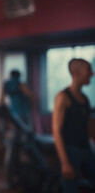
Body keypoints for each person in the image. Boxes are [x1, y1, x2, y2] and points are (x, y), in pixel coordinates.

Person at [52, 58, 95, 193]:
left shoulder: (85, 99)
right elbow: (56, 130)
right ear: (76, 72)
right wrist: (65, 163)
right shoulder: (63, 97)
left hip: (86, 149)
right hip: (70, 152)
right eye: (88, 70)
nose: (92, 74)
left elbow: (88, 128)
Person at [0, 69, 35, 187]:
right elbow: (31, 95)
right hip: (23, 115)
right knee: (25, 143)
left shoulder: (6, 84)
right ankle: (20, 175)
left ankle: (16, 176)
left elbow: (1, 100)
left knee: (15, 144)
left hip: (14, 115)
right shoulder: (20, 83)